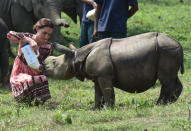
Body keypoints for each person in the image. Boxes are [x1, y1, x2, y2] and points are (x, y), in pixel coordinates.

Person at [7, 18, 54, 105]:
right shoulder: (26, 37)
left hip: (35, 73)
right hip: (19, 73)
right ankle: (22, 100)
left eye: (49, 35)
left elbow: (47, 64)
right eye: (44, 33)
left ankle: (37, 103)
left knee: (42, 78)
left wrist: (42, 68)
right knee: (31, 80)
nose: (46, 37)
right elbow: (9, 35)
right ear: (37, 29)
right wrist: (30, 40)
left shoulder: (48, 47)